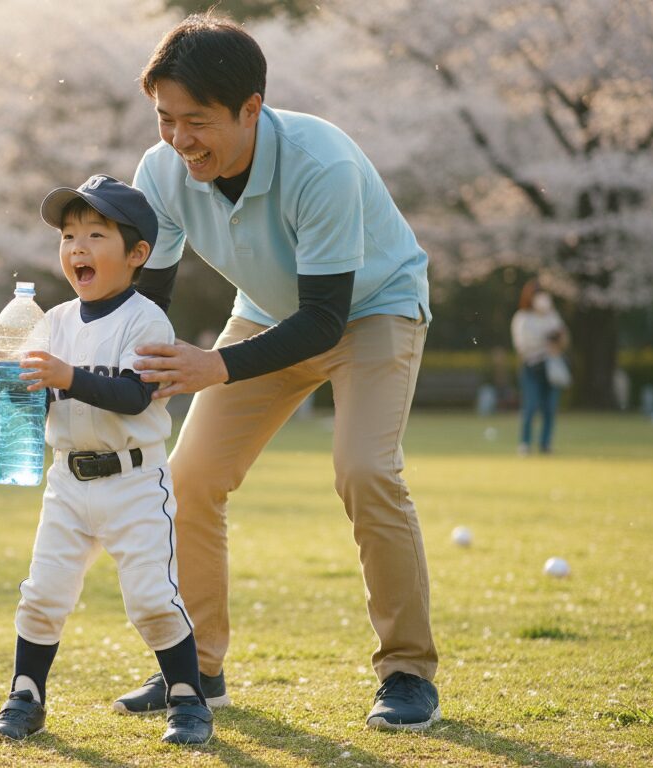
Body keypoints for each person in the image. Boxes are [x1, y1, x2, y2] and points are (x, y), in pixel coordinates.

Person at [111, 13, 440, 731]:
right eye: (166, 118)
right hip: (264, 311)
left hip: (372, 311)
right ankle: (196, 668)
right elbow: (148, 301)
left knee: (365, 470)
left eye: (195, 121)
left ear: (251, 109)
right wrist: (82, 372)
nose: (178, 139)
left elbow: (325, 319)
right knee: (189, 476)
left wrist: (214, 365)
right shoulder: (162, 170)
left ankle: (408, 671)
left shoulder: (321, 164)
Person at [0, 175, 213, 745]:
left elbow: (135, 395)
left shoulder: (146, 319)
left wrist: (65, 375)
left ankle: (187, 699)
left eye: (95, 234)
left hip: (134, 481)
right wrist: (18, 380)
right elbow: (47, 397)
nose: (77, 247)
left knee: (152, 598)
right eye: (68, 235)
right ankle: (25, 696)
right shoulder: (50, 321)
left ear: (137, 255)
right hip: (67, 481)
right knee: (43, 591)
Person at [510, 280, 569, 455]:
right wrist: (544, 341)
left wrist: (558, 340)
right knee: (531, 406)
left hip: (551, 366)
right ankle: (525, 443)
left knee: (550, 407)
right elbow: (521, 345)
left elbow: (564, 339)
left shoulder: (552, 316)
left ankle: (545, 443)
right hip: (532, 366)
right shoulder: (522, 318)